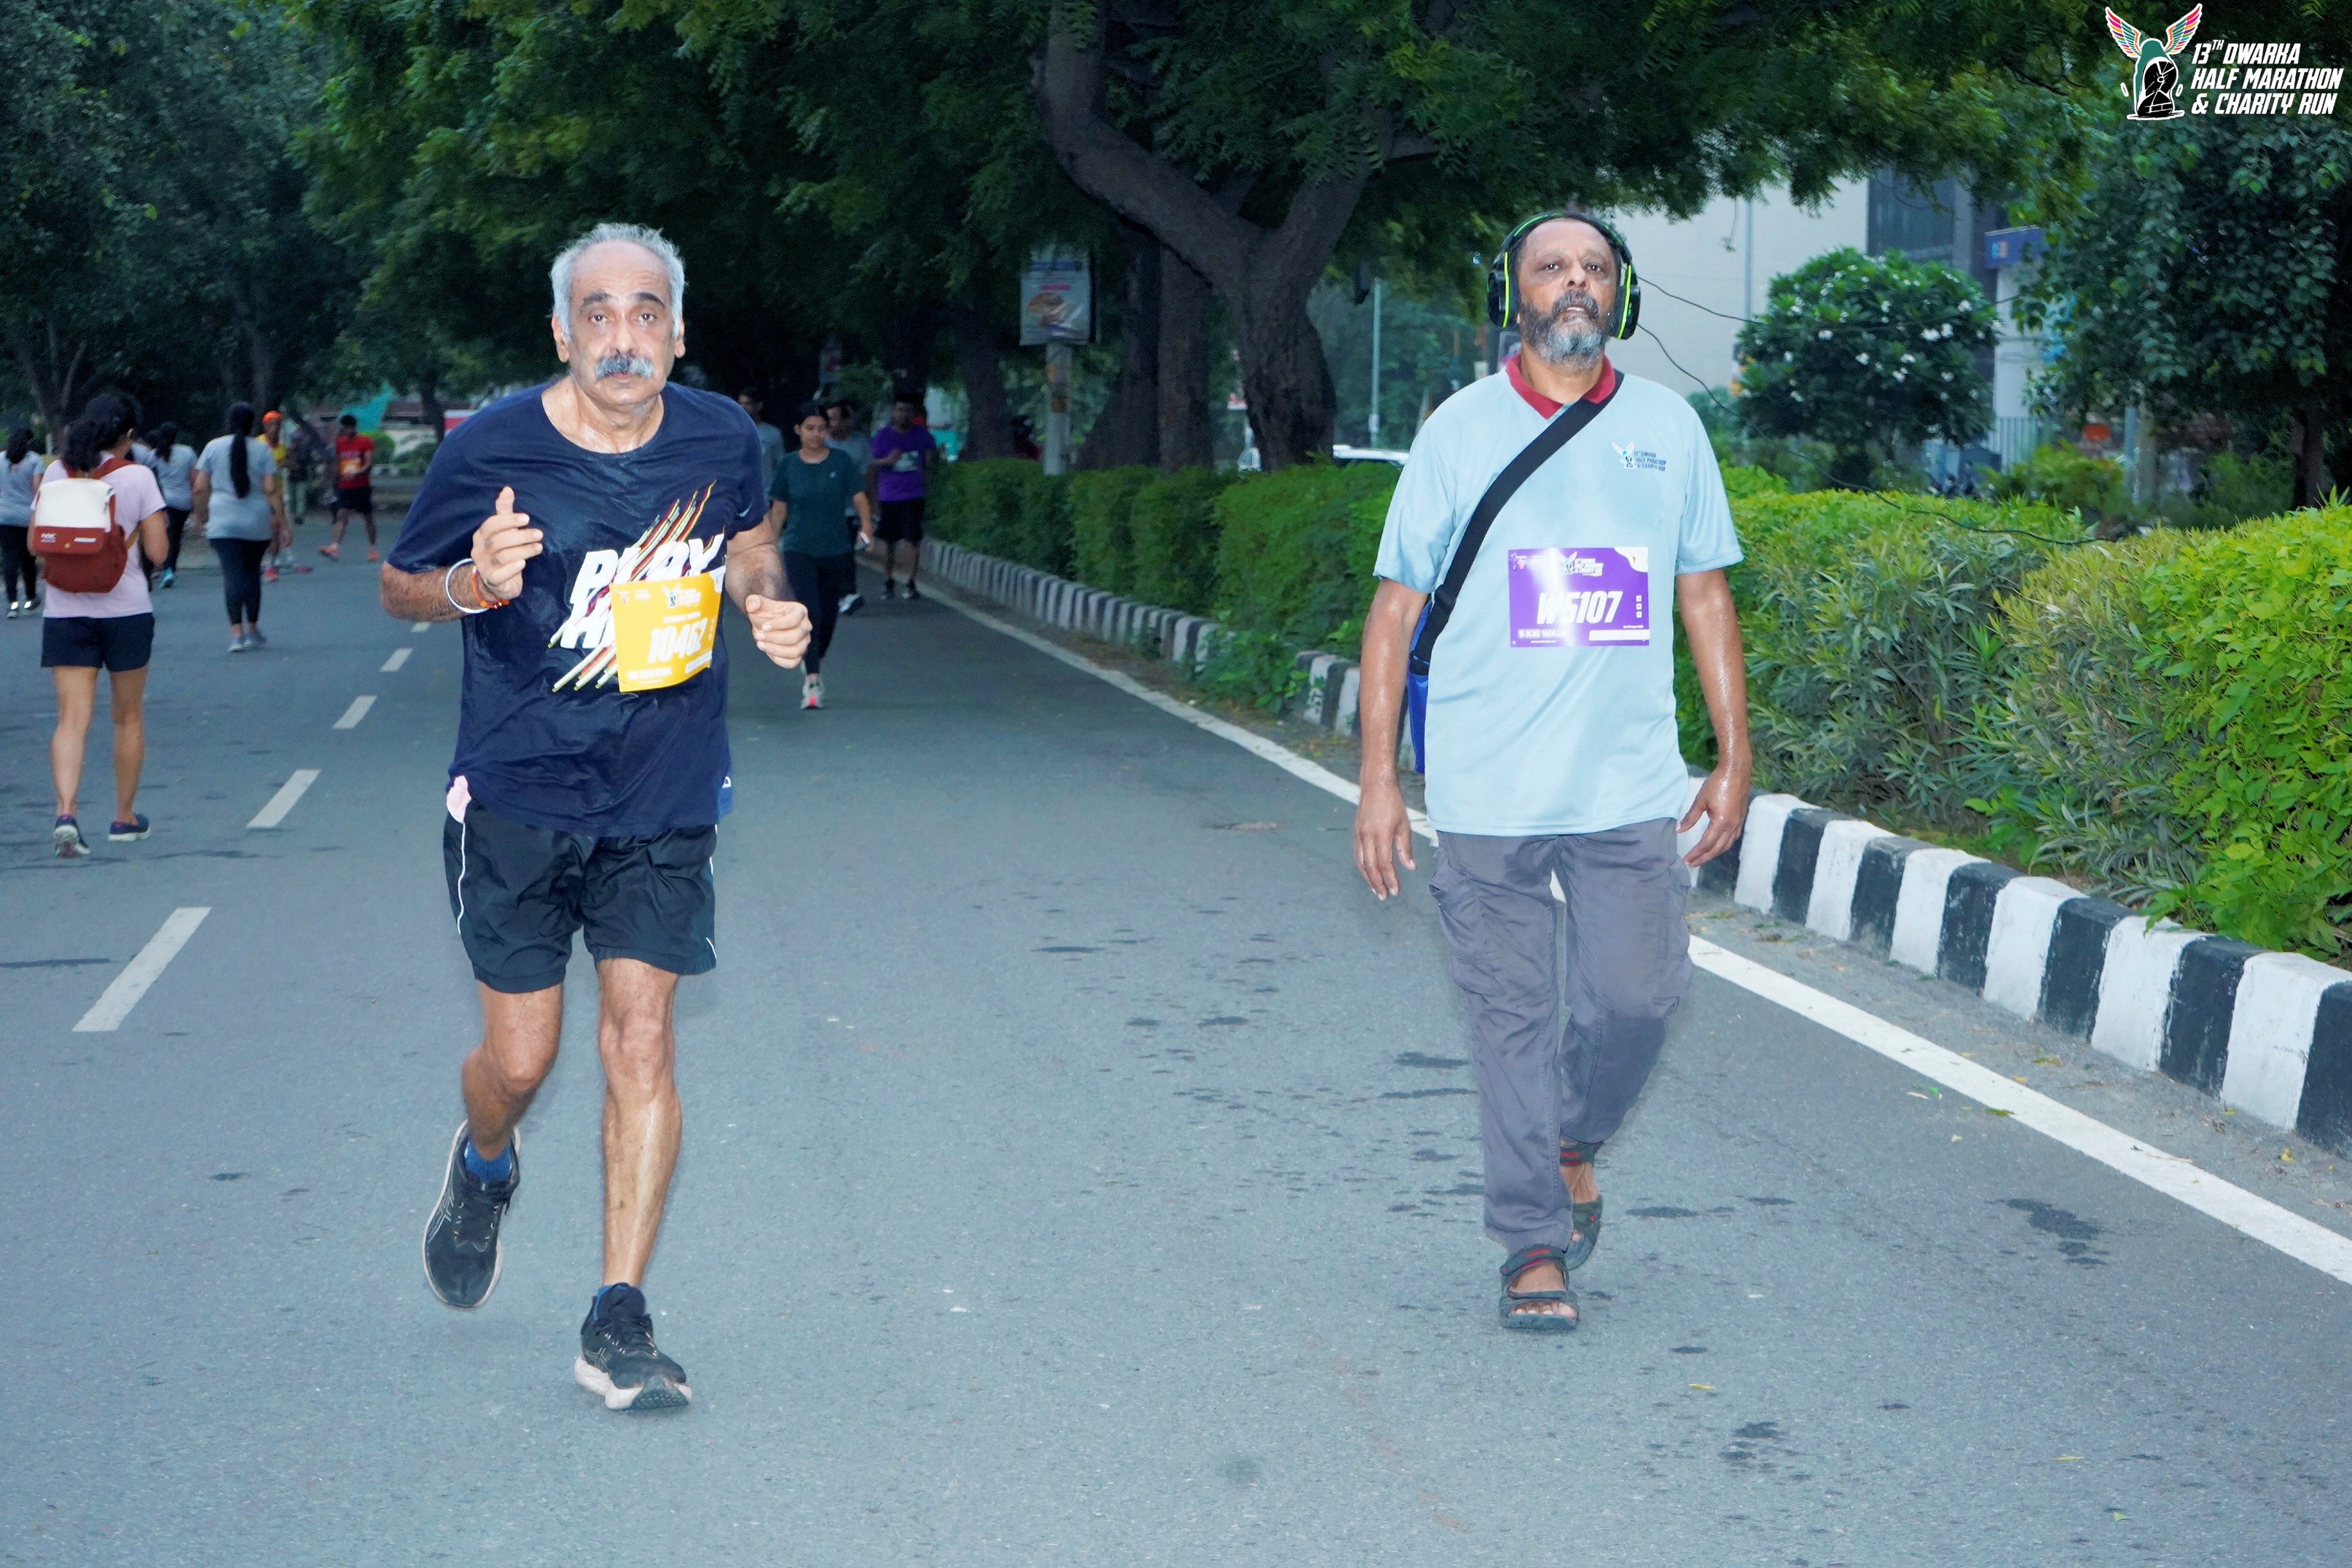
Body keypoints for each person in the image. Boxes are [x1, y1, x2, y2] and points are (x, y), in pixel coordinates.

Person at [383, 221, 810, 1414]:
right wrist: (473, 583)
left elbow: (749, 544)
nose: (624, 336)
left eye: (646, 313)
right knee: (522, 1062)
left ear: (678, 331)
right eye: (599, 314)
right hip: (519, 797)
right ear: (562, 332)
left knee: (642, 1040)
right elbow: (401, 585)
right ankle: (484, 1162)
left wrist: (766, 603)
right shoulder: (490, 447)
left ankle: (618, 1314)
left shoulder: (722, 437)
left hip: (663, 792)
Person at [1352, 212, 1752, 1332]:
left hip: (1626, 785)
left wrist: (1735, 755)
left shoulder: (1669, 429)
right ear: (1514, 294)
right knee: (1510, 1021)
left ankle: (1570, 1137)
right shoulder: (1458, 431)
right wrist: (1379, 780)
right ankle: (1533, 1241)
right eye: (1551, 268)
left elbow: (1704, 594)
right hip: (1487, 787)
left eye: (1595, 269)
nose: (1575, 283)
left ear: (1621, 295)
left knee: (1638, 999)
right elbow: (1393, 613)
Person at [37, 394, 169, 857]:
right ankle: (124, 818)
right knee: (128, 717)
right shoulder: (138, 477)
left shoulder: (57, 473)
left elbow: (37, 543)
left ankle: (66, 813)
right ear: (128, 435)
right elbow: (158, 553)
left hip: (65, 611)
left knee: (72, 719)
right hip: (126, 612)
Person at [769, 399, 874, 709]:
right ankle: (813, 680)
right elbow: (779, 509)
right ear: (798, 430)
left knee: (828, 615)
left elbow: (859, 497)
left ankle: (812, 656)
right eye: (810, 428)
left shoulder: (840, 461)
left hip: (835, 548)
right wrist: (769, 546)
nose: (817, 434)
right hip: (798, 547)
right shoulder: (788, 465)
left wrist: (867, 526)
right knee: (809, 610)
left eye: (822, 428)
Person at [192, 403, 290, 651]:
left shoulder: (213, 447)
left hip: (223, 520)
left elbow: (200, 487)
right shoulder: (262, 450)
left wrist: (200, 517)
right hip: (256, 521)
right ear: (253, 424)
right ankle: (253, 629)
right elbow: (271, 490)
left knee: (232, 575)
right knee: (252, 574)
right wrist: (283, 523)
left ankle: (236, 634)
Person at [866, 393, 936, 600]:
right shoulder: (882, 437)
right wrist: (887, 461)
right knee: (889, 542)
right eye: (899, 410)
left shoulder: (922, 435)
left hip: (914, 495)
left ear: (913, 413)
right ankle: (888, 580)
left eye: (907, 411)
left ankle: (911, 582)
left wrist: (929, 469)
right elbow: (871, 465)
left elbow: (931, 456)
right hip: (889, 496)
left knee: (913, 539)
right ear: (893, 413)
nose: (903, 414)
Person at [823, 396, 871, 616]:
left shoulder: (859, 444)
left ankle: (848, 593)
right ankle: (832, 592)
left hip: (849, 509)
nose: (830, 423)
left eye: (834, 418)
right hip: (821, 510)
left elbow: (867, 477)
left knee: (845, 552)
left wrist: (871, 510)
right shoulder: (820, 442)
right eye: (828, 418)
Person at [146, 423, 197, 588]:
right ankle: (171, 568)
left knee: (166, 536)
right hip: (183, 502)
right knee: (176, 536)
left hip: (162, 501)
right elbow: (194, 480)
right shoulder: (188, 452)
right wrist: (196, 504)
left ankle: (166, 569)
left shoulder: (153, 456)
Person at [323, 414, 378, 561]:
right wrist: (333, 483)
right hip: (345, 486)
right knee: (341, 515)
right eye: (346, 428)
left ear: (355, 427)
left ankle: (373, 548)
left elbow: (369, 463)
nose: (348, 430)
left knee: (368, 517)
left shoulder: (365, 442)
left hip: (361, 486)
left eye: (350, 427)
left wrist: (357, 473)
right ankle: (334, 547)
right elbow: (338, 464)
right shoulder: (340, 443)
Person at [1, 427, 44, 616]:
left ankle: (12, 604)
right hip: (27, 517)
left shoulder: (1, 459)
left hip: (4, 515)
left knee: (9, 558)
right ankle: (31, 597)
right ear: (29, 442)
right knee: (28, 558)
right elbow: (37, 490)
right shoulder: (34, 460)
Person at [737, 389, 784, 485]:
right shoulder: (732, 433)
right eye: (740, 404)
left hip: (765, 491)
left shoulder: (773, 433)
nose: (743, 408)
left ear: (759, 406)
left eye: (748, 404)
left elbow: (781, 466)